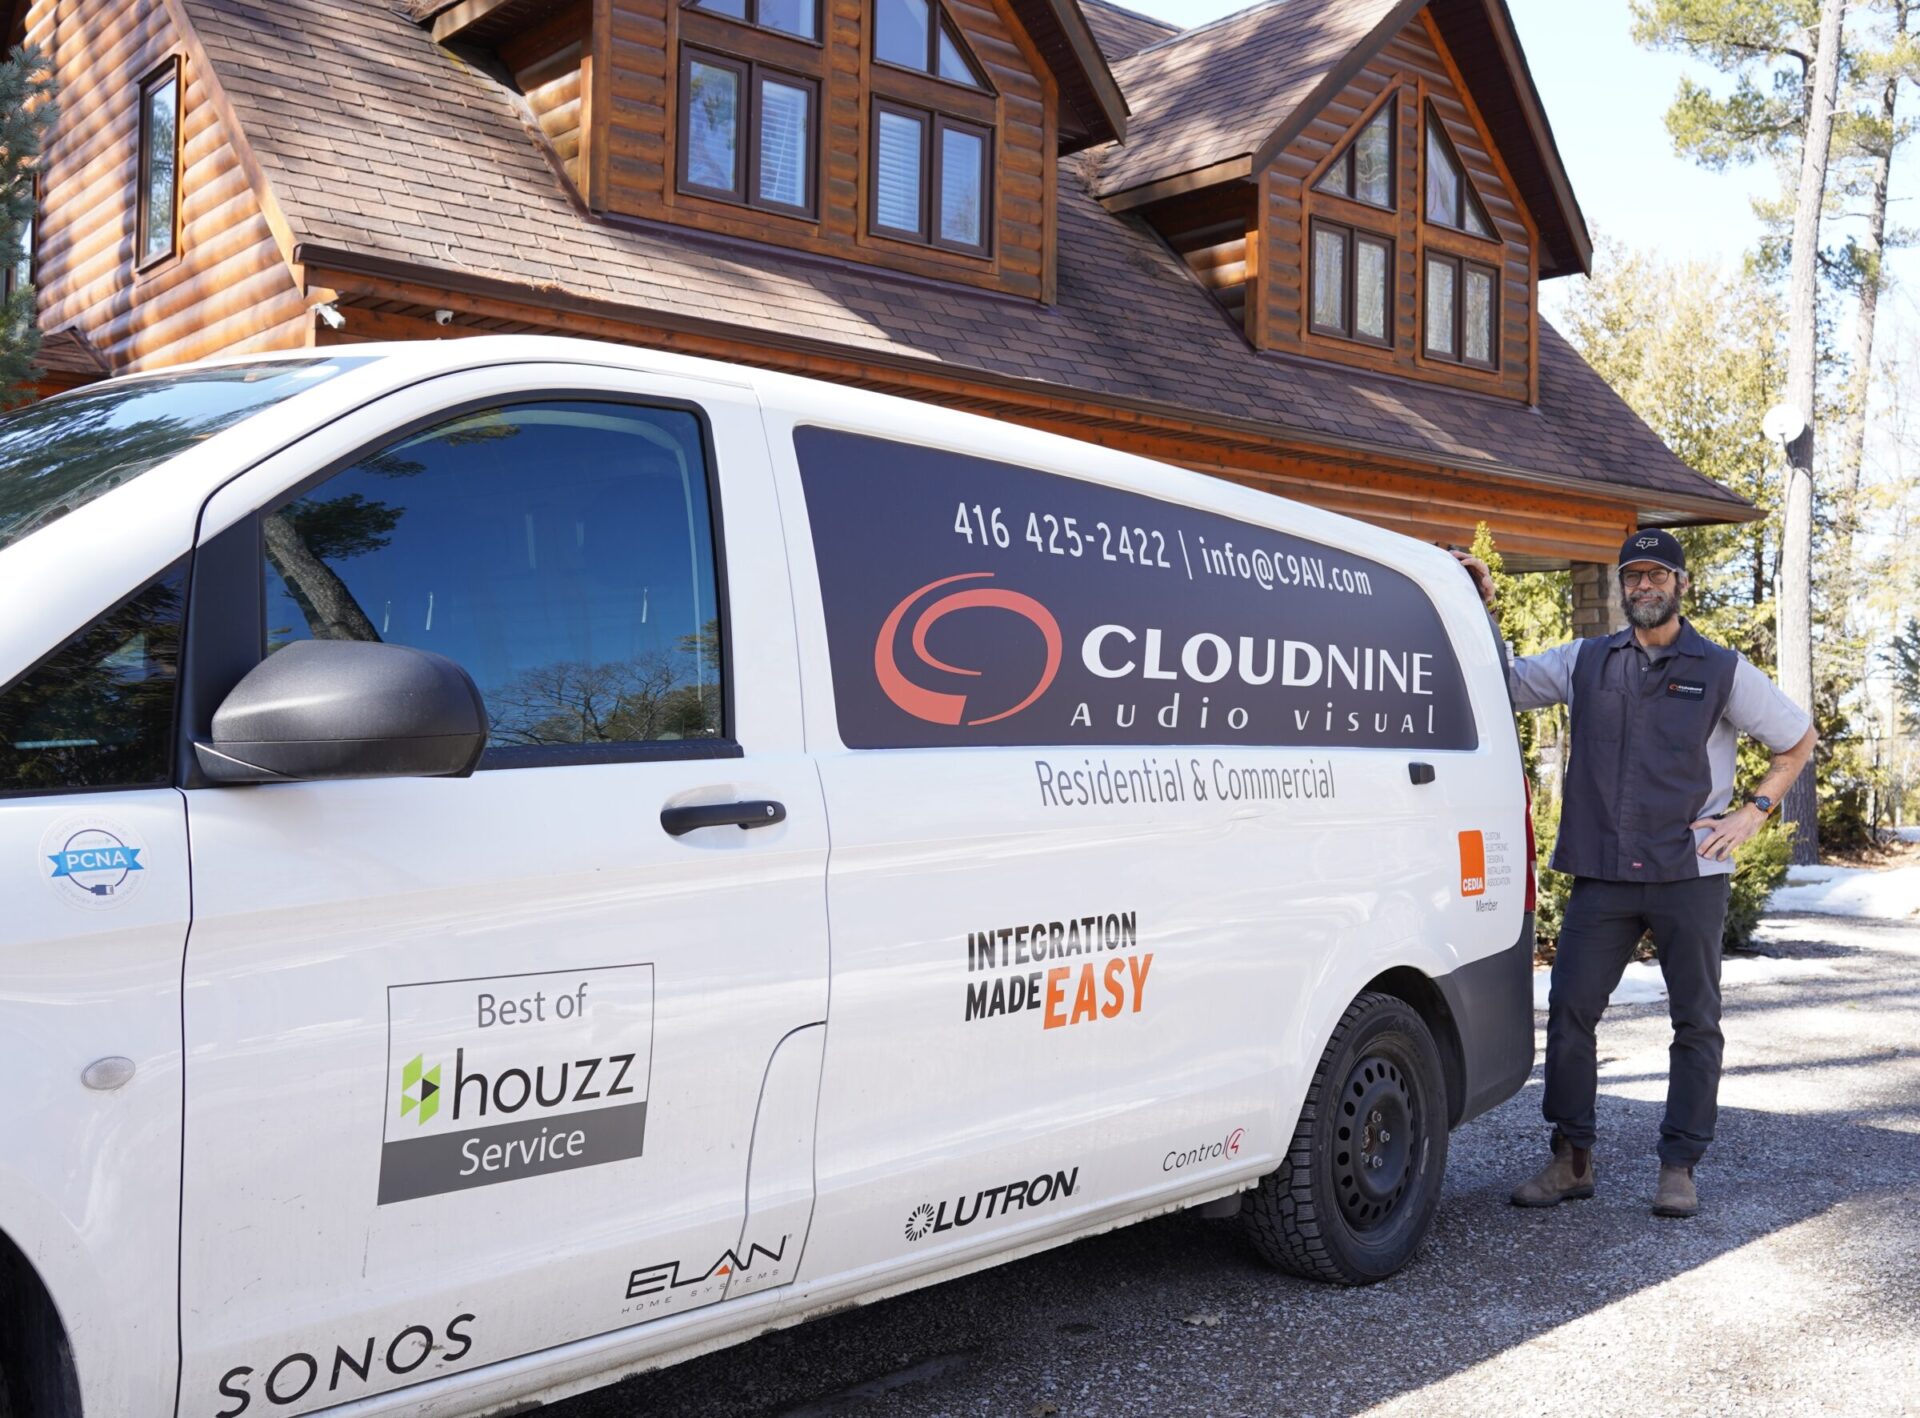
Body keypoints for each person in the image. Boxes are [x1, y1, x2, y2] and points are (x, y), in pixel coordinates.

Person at [1452, 530, 1815, 1219]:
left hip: (1690, 871)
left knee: (1695, 1022)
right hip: (1604, 871)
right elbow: (1504, 682)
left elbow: (1796, 739)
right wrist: (1483, 604)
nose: (1643, 586)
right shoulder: (1587, 660)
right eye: (1633, 577)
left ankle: (1679, 1166)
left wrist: (1754, 812)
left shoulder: (1721, 668)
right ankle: (1572, 1160)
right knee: (1568, 1013)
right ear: (1623, 588)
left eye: (1656, 576)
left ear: (1681, 585)